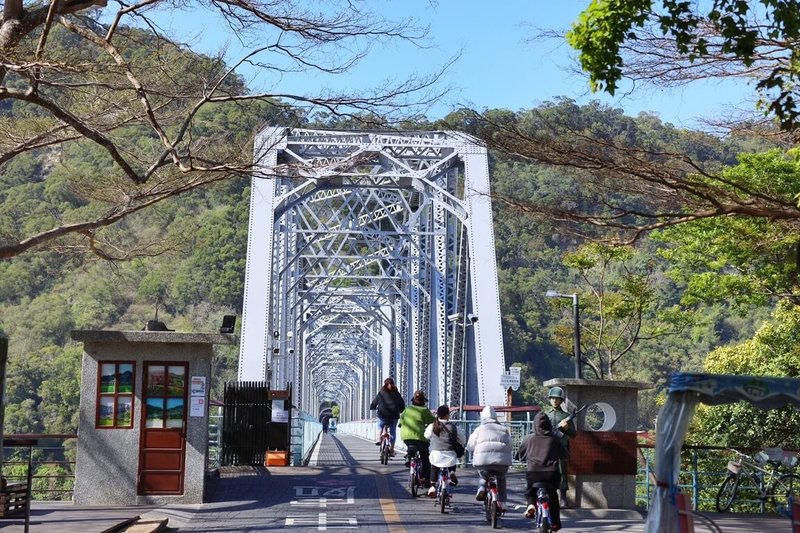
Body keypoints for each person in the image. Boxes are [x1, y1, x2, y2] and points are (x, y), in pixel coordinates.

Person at [517, 411, 563, 531]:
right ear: (548, 424)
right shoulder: (555, 439)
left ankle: (531, 504)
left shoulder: (529, 439)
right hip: (551, 474)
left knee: (530, 491)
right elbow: (565, 455)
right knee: (553, 496)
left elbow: (519, 455)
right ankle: (556, 524)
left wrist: (522, 458)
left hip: (534, 473)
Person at [466, 405, 512, 512]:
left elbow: (470, 446)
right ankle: (503, 502)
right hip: (501, 463)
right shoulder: (504, 430)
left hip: (483, 462)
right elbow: (510, 445)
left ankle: (482, 487)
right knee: (501, 478)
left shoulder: (478, 430)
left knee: (483, 474)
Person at [424, 404, 465, 497]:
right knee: (451, 461)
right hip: (450, 454)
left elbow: (426, 435)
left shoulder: (432, 426)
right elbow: (462, 439)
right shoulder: (453, 427)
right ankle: (452, 472)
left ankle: (432, 486)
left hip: (436, 454)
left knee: (434, 466)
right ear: (447, 415)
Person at [546, 386, 577, 508]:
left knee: (562, 474)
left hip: (562, 448)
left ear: (561, 400)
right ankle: (547, 497)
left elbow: (574, 434)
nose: (554, 400)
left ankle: (563, 499)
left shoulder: (566, 416)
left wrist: (567, 428)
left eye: (557, 398)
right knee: (547, 472)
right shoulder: (545, 415)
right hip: (548, 448)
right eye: (552, 398)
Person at [398, 390, 436, 488]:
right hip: (420, 438)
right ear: (423, 401)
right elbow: (432, 421)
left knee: (411, 445)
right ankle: (426, 479)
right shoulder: (424, 410)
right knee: (425, 457)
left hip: (406, 437)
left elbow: (400, 423)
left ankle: (409, 455)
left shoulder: (407, 409)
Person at [369, 377, 405, 454]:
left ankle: (378, 438)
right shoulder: (397, 394)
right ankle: (391, 449)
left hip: (382, 415)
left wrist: (372, 407)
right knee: (392, 432)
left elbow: (374, 403)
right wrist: (401, 410)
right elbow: (402, 404)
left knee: (380, 426)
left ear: (385, 384)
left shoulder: (381, 393)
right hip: (394, 416)